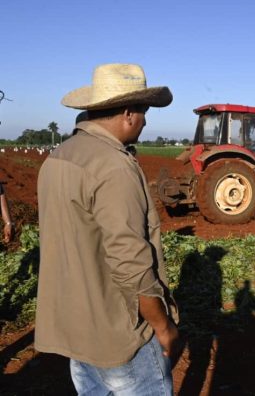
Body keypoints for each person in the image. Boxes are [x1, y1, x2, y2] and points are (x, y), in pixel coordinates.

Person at [35, 63, 181, 395]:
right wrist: (162, 326)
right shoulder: (113, 166)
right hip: (118, 336)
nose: (146, 121)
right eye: (144, 112)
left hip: (75, 329)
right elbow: (130, 261)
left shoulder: (59, 156)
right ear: (129, 113)